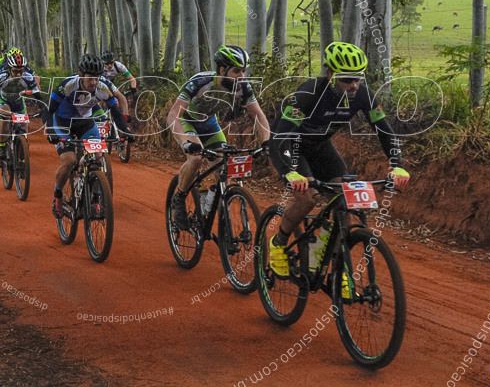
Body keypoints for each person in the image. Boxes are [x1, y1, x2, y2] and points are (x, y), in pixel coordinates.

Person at [265, 41, 410, 282]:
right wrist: (292, 172)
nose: (353, 85)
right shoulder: (307, 95)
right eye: (346, 80)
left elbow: (384, 130)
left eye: (357, 79)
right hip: (293, 146)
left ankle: (324, 261)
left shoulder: (362, 94)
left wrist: (397, 164)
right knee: (308, 197)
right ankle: (278, 243)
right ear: (330, 74)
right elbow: (282, 136)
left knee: (344, 205)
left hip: (321, 147)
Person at [167, 45, 272, 230]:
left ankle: (206, 209)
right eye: (237, 71)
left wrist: (266, 141)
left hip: (209, 125)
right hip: (187, 121)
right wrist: (185, 142)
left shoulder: (242, 87)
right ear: (222, 70)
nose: (242, 76)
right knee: (196, 159)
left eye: (244, 71)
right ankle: (180, 197)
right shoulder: (200, 82)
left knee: (225, 169)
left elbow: (258, 115)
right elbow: (173, 114)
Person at [46, 54, 128, 218]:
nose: (94, 82)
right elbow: (49, 110)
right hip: (64, 123)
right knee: (69, 161)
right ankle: (57, 196)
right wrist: (51, 131)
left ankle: (95, 200)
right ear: (81, 74)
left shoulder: (102, 87)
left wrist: (125, 131)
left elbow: (115, 112)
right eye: (90, 78)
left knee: (98, 158)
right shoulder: (68, 85)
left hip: (85, 123)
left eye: (97, 78)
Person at [0, 50, 41, 165]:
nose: (18, 74)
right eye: (15, 71)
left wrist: (42, 107)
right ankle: (2, 147)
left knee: (24, 127)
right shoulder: (2, 75)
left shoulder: (27, 76)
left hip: (17, 101)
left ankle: (22, 158)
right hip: (2, 99)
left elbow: (36, 93)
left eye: (21, 71)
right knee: (6, 115)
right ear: (9, 69)